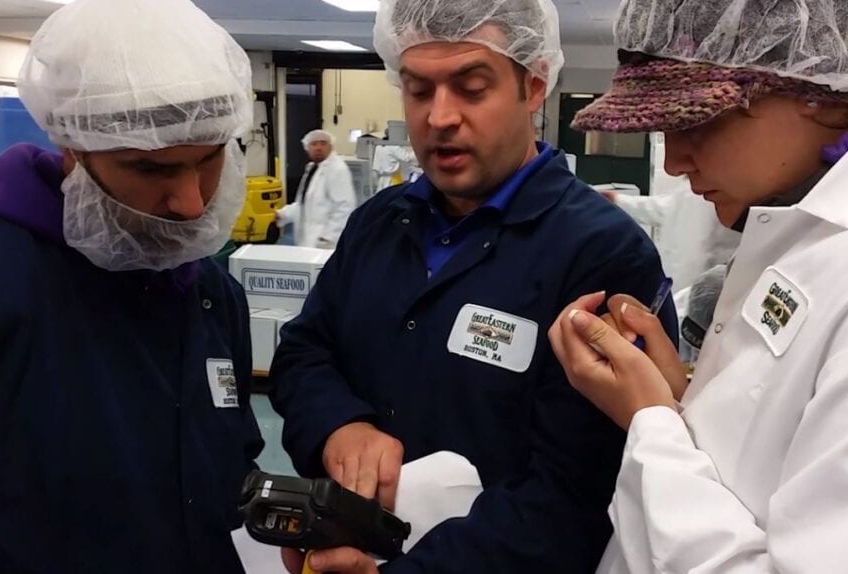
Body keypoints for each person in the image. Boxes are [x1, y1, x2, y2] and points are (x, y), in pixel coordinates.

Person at [268, 0, 677, 572]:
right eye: (418, 90)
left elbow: (579, 493)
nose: (439, 117)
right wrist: (339, 425)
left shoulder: (600, 254)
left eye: (471, 87)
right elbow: (305, 351)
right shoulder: (378, 224)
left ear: (533, 87)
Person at [550, 0, 848, 572]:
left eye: (696, 119)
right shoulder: (814, 205)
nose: (674, 161)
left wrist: (651, 424)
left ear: (818, 85)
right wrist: (688, 401)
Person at [0, 0, 264, 571]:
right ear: (73, 150)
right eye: (150, 169)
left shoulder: (211, 294)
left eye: (209, 160)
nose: (190, 204)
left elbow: (226, 469)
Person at [277, 129, 357, 249]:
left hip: (326, 243)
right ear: (307, 148)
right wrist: (282, 214)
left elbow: (345, 207)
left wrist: (329, 238)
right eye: (314, 144)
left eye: (323, 143)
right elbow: (304, 204)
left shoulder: (337, 169)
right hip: (309, 240)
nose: (318, 148)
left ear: (331, 146)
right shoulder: (312, 169)